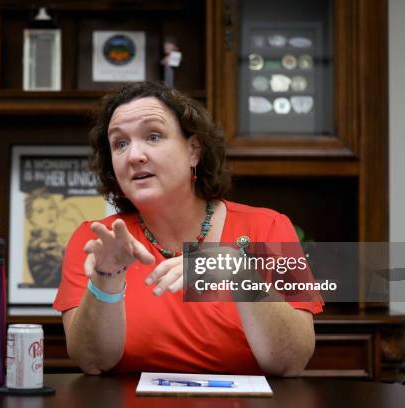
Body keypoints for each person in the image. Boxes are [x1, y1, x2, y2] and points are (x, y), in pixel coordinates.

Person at [53, 81, 323, 376]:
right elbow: (92, 362)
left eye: (153, 136)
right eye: (120, 143)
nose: (133, 156)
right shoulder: (97, 240)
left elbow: (291, 362)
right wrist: (105, 279)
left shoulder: (267, 227)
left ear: (194, 150)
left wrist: (238, 271)